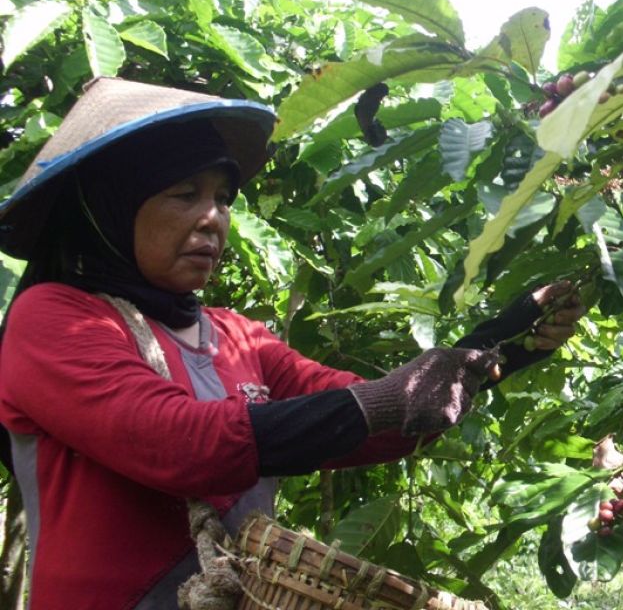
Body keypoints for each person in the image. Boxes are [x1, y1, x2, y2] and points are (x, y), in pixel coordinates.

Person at [0, 77, 584, 609]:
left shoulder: (234, 334)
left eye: (224, 198)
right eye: (185, 193)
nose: (213, 218)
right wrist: (386, 400)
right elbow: (174, 444)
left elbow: (375, 416)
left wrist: (496, 350)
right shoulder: (53, 318)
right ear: (109, 206)